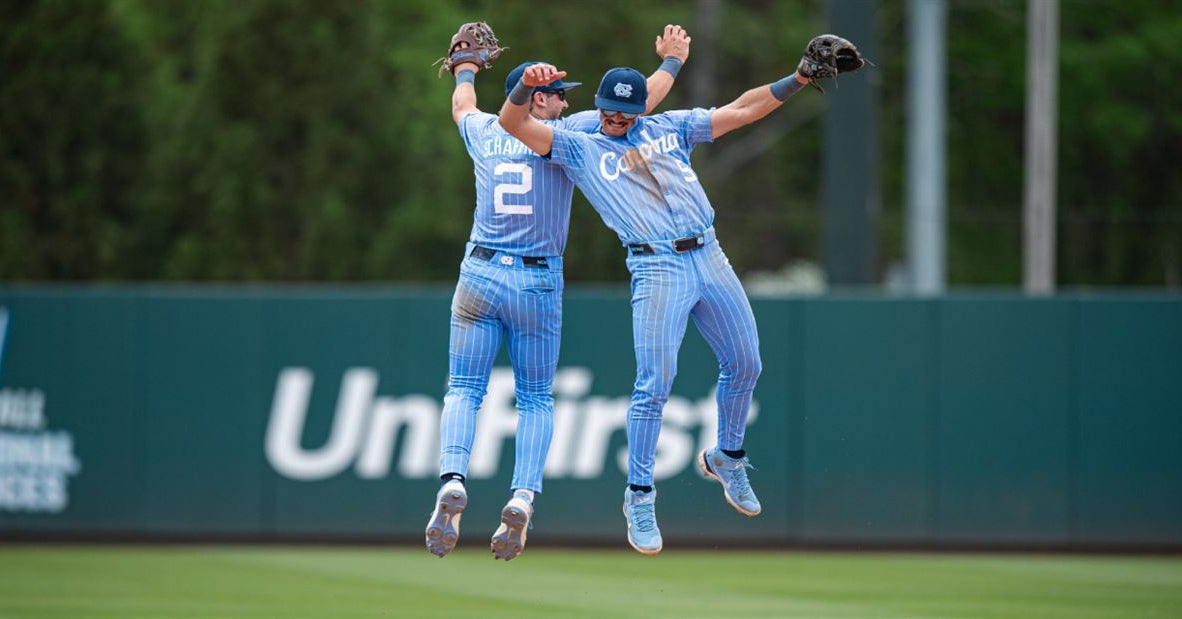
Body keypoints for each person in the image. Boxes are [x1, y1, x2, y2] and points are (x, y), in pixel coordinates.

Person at [498, 60, 816, 556]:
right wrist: (522, 87)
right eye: (610, 109)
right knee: (655, 382)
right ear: (599, 105)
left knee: (747, 362)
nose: (618, 119)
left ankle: (727, 456)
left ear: (640, 107)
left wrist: (798, 79)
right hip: (655, 265)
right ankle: (640, 494)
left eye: (628, 111)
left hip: (709, 254)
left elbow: (741, 110)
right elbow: (513, 124)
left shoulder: (668, 125)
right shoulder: (579, 144)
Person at [425, 25, 692, 561]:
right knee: (535, 398)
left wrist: (467, 67)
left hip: (479, 273)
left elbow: (461, 103)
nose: (567, 102)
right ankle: (522, 495)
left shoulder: (482, 130)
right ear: (542, 100)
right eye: (558, 95)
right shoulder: (567, 135)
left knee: (463, 388)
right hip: (536, 281)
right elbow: (638, 105)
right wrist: (672, 64)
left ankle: (453, 478)